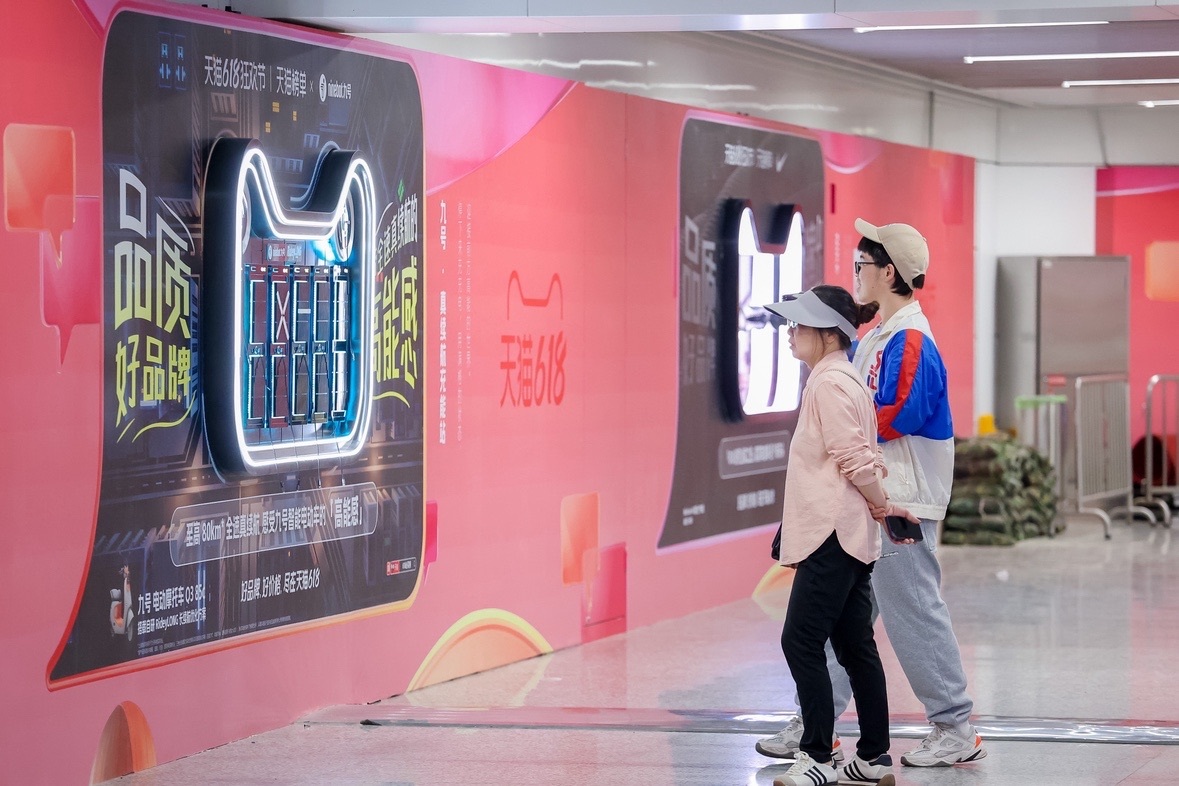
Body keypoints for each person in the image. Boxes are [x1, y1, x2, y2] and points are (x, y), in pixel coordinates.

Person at [756, 220, 986, 770]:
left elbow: (894, 413)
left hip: (899, 503)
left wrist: (838, 430)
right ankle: (815, 725)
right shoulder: (881, 336)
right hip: (868, 501)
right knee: (842, 624)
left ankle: (954, 727)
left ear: (889, 272)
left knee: (914, 613)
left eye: (861, 264)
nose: (855, 272)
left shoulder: (910, 339)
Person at [762, 285, 918, 786]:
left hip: (831, 536)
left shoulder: (829, 383)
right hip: (848, 536)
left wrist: (880, 504)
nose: (791, 333)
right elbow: (860, 456)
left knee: (800, 642)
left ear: (830, 334)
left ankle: (818, 758)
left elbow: (853, 458)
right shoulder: (842, 378)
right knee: (855, 648)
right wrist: (880, 506)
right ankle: (872, 757)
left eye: (800, 324)